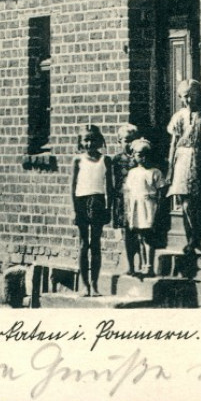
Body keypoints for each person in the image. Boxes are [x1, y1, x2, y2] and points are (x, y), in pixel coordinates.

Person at [71, 124, 113, 297]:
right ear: (81, 142)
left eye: (93, 139)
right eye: (86, 140)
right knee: (83, 244)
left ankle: (95, 285)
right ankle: (84, 285)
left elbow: (109, 186)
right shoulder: (77, 160)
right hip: (81, 201)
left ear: (99, 140)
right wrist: (74, 210)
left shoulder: (105, 160)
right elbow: (72, 186)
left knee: (95, 244)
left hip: (98, 202)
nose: (90, 143)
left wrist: (108, 207)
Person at [167, 79, 201, 255]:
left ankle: (195, 237)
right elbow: (173, 143)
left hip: (196, 158)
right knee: (184, 200)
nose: (188, 100)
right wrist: (170, 168)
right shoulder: (179, 116)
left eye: (191, 96)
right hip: (181, 158)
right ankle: (189, 236)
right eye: (184, 97)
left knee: (194, 200)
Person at [123, 138, 166, 277]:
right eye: (140, 154)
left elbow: (161, 192)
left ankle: (149, 266)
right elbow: (128, 192)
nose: (143, 158)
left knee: (148, 236)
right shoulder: (133, 172)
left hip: (148, 206)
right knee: (140, 237)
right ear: (134, 155)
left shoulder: (155, 172)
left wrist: (158, 208)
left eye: (146, 154)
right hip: (136, 206)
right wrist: (129, 210)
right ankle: (143, 264)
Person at [111, 123, 139, 275]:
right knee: (127, 232)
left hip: (138, 199)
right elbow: (113, 183)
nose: (129, 144)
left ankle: (142, 263)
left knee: (140, 230)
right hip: (123, 200)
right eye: (126, 140)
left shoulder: (140, 158)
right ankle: (131, 265)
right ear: (119, 141)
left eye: (132, 140)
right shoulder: (116, 160)